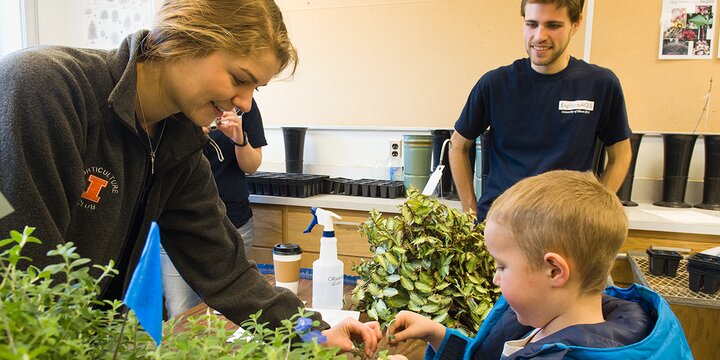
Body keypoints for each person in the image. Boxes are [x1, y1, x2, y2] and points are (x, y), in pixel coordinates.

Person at [0, 0, 381, 356]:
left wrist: (311, 335)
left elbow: (226, 271)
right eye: (239, 78)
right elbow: (22, 279)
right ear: (187, 37)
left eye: (255, 88)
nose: (246, 103)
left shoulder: (178, 144)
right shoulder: (45, 88)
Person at [386, 170, 692, 359]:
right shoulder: (549, 321)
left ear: (554, 271)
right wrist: (437, 335)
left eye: (502, 266)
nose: (495, 278)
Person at [449, 0, 633, 221]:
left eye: (553, 26)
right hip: (501, 223)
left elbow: (620, 155)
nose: (539, 36)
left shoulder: (600, 84)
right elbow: (458, 146)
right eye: (531, 24)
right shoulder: (495, 84)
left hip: (564, 226)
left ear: (576, 24)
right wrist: (471, 213)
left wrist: (596, 209)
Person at [160, 98, 266, 318]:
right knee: (182, 313)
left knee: (230, 315)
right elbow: (159, 164)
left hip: (234, 223)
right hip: (179, 228)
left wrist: (239, 139)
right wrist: (191, 136)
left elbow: (251, 166)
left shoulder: (245, 107)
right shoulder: (177, 102)